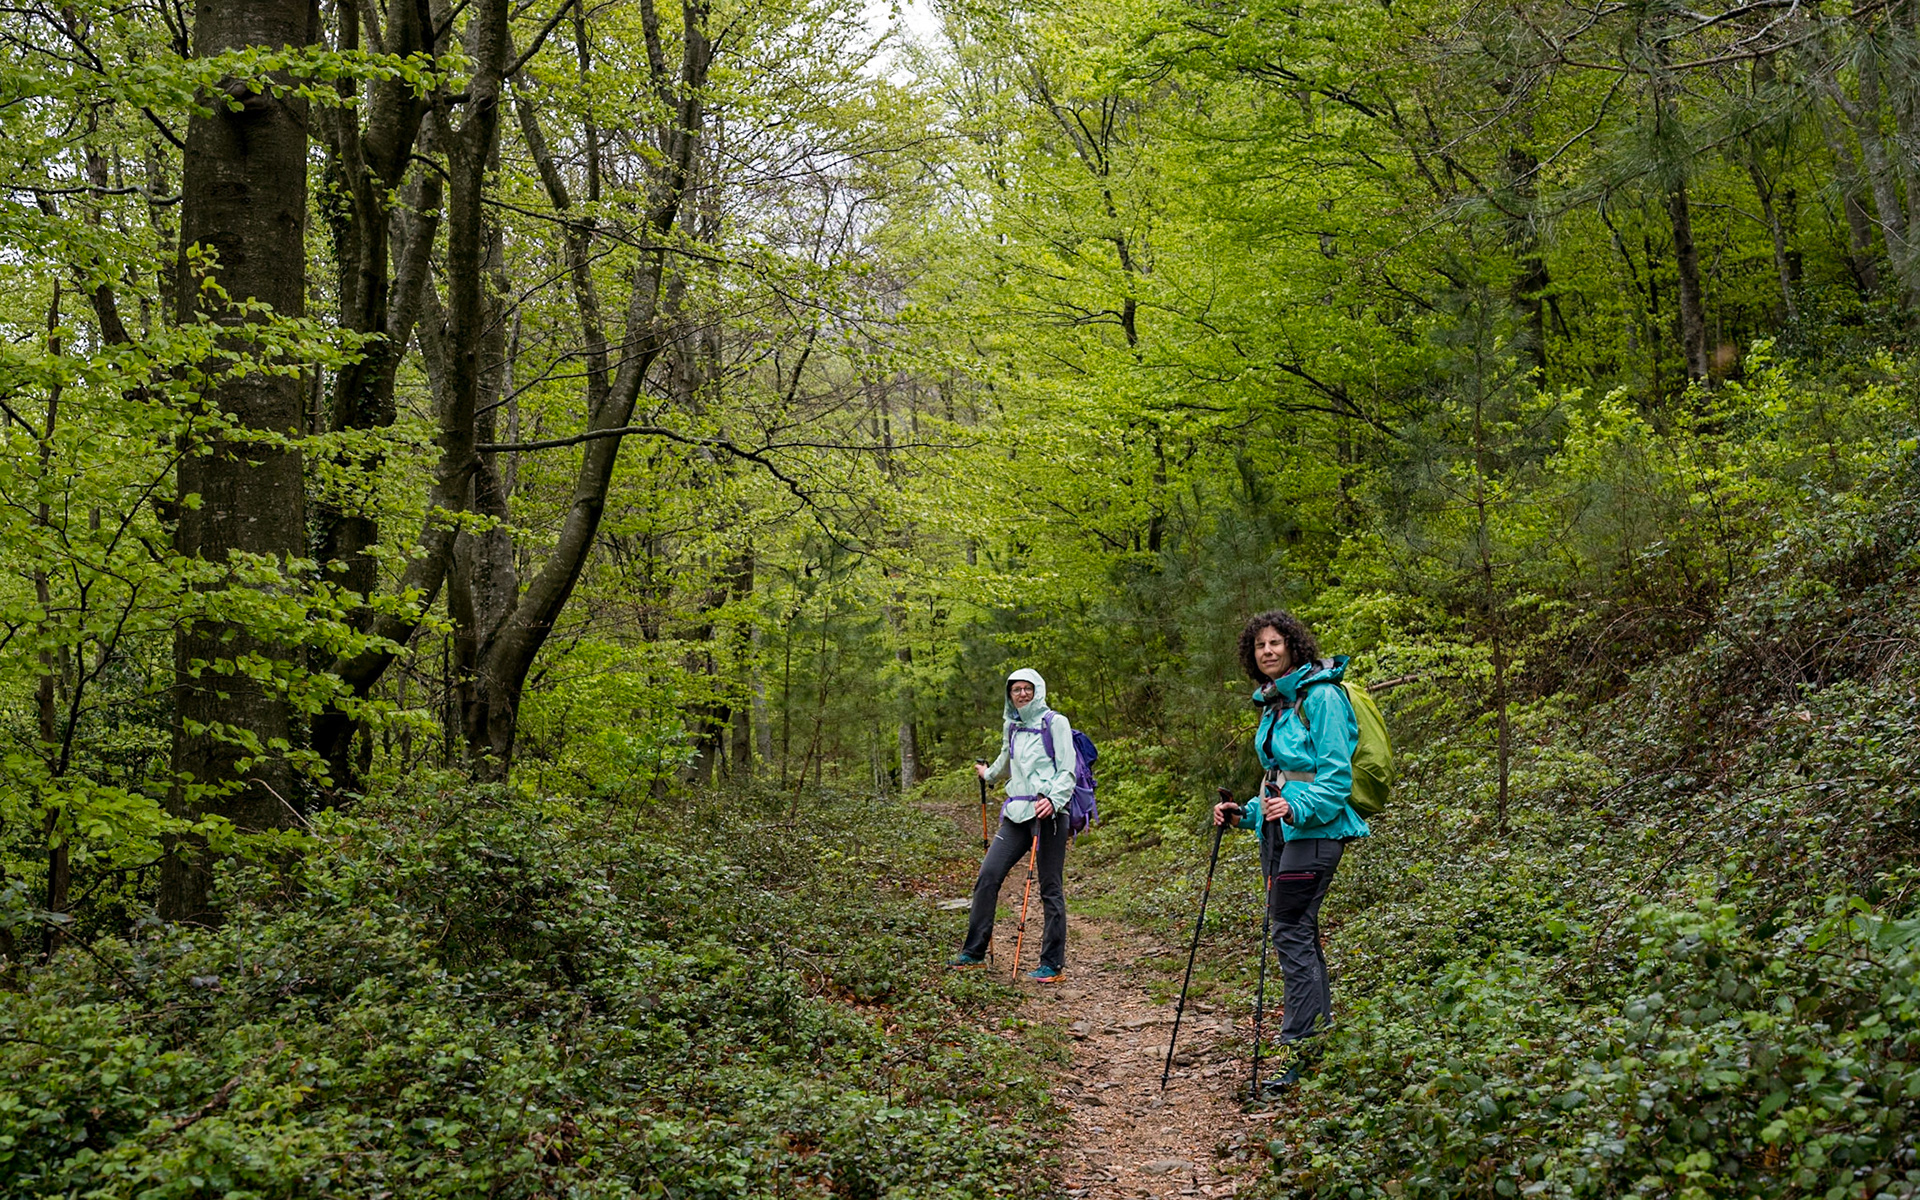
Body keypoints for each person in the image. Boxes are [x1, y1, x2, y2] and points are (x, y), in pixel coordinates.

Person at [1213, 610, 1369, 1090]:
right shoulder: (1276, 703)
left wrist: (1296, 811)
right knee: (1299, 931)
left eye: (1276, 642)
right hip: (1284, 833)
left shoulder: (1320, 698)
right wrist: (1249, 814)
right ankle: (1316, 1041)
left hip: (1318, 833)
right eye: (1260, 645)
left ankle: (1301, 1051)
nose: (1268, 651)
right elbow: (1279, 782)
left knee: (1289, 933)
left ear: (1294, 646)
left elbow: (1335, 778)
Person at [949, 668, 1078, 982]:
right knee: (988, 876)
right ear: (1009, 694)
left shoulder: (1055, 723)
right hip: (1016, 813)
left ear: (1038, 690)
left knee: (1050, 888)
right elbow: (1005, 761)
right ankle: (974, 953)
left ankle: (1051, 965)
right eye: (1015, 689)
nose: (1021, 694)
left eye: (1027, 688)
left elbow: (1068, 770)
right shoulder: (1012, 726)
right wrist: (987, 775)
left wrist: (1054, 799)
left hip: (1049, 814)